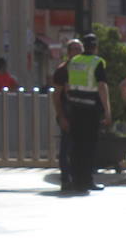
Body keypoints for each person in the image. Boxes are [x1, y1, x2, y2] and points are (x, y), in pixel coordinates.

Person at [65, 32, 111, 192]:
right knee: (89, 146)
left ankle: (76, 180)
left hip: (75, 108)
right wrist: (107, 111)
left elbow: (67, 85)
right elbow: (102, 87)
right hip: (90, 109)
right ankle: (86, 181)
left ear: (83, 46)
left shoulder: (73, 61)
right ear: (96, 47)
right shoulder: (97, 62)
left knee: (76, 146)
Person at [51, 39, 83, 192]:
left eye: (79, 49)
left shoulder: (85, 69)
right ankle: (66, 179)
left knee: (80, 148)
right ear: (69, 52)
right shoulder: (63, 70)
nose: (77, 52)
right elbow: (56, 95)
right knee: (66, 148)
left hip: (83, 113)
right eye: (74, 49)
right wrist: (61, 116)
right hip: (68, 112)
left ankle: (79, 179)